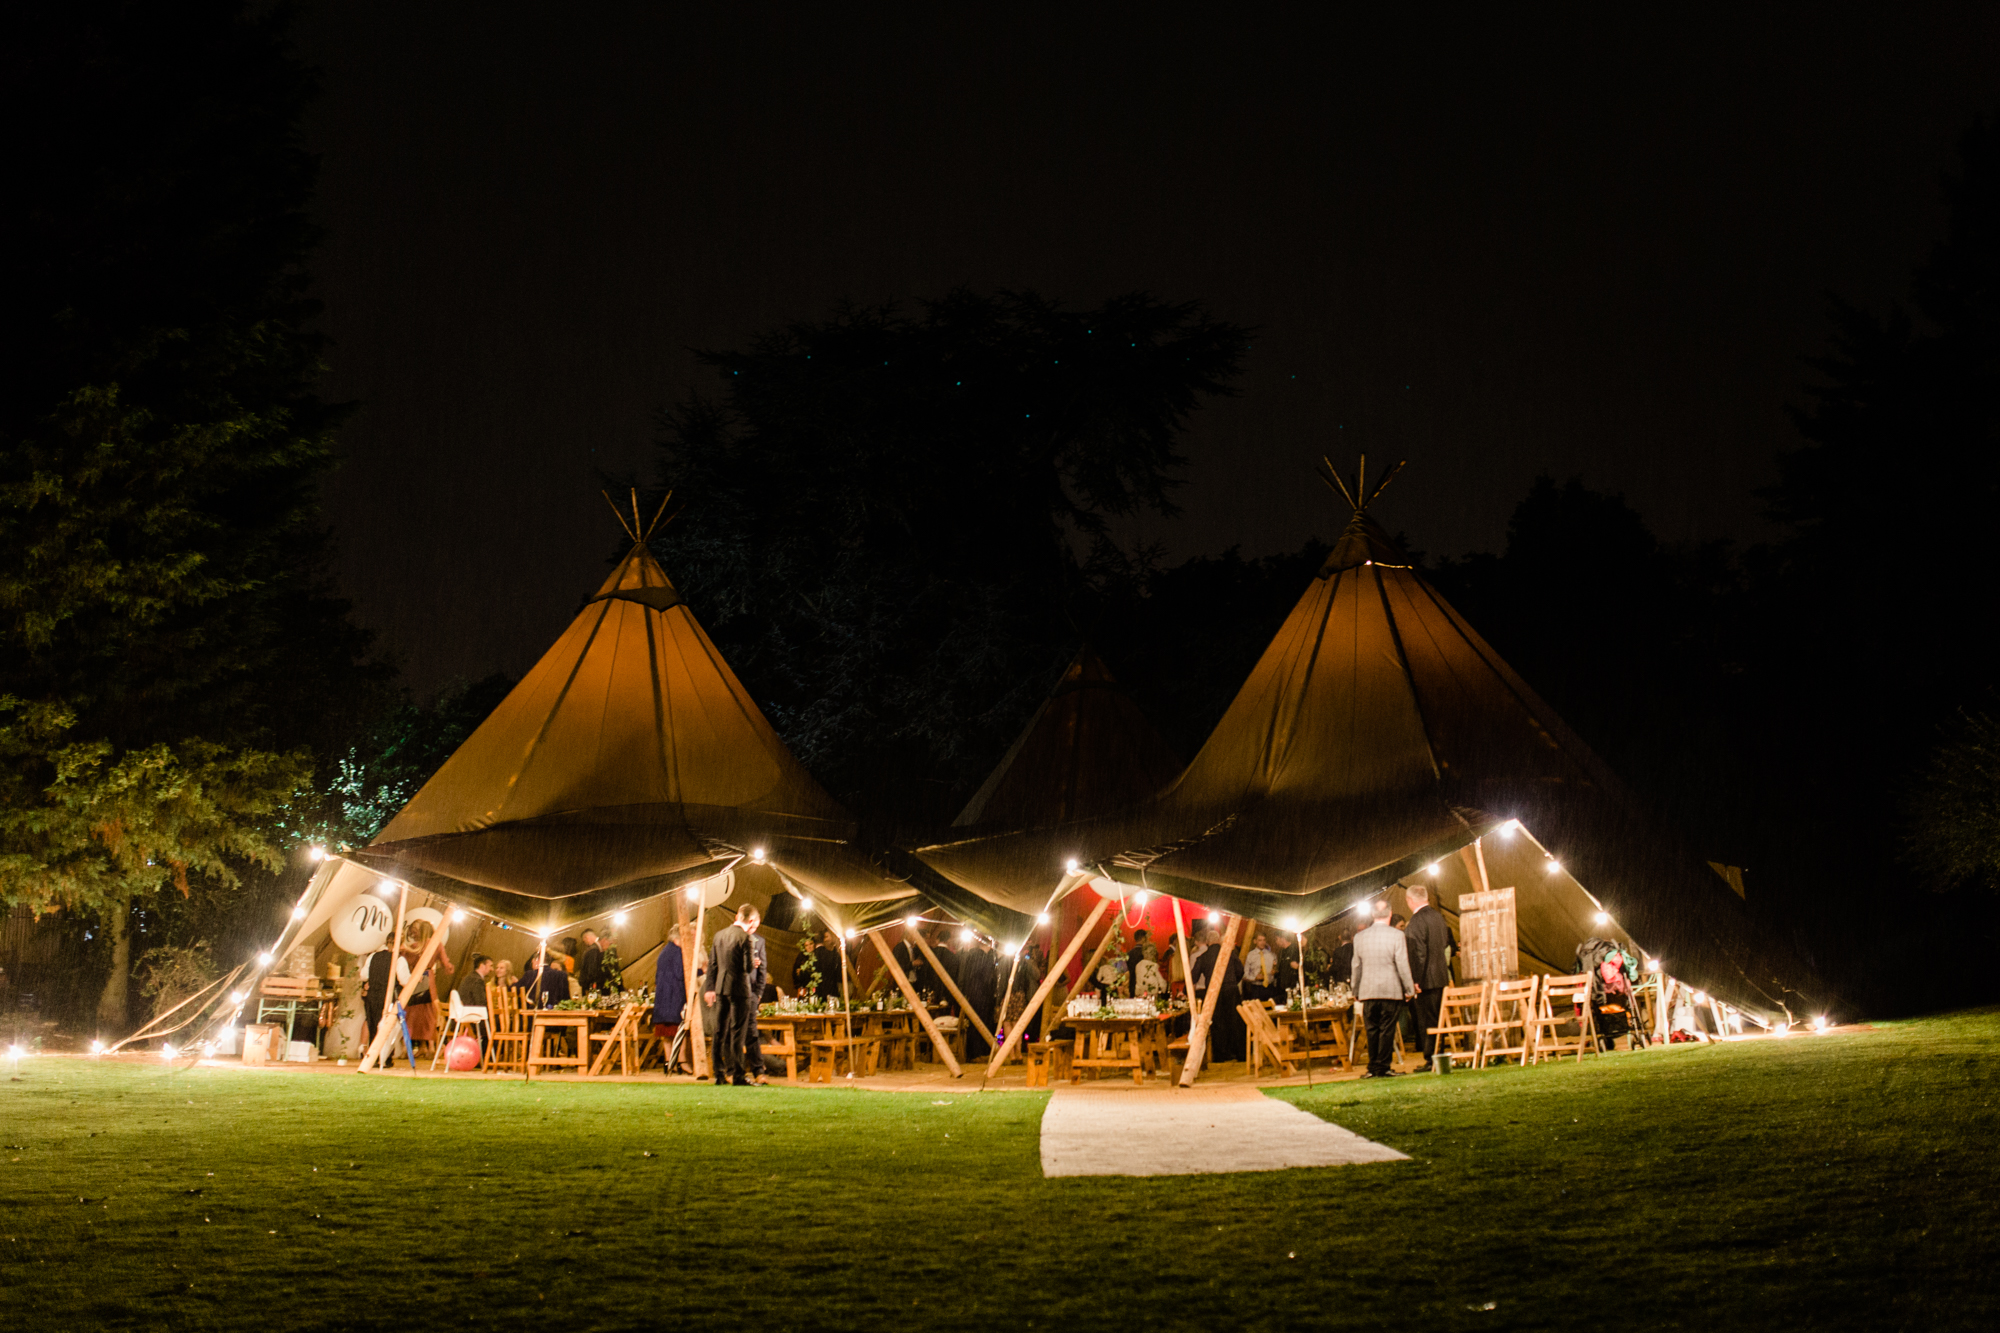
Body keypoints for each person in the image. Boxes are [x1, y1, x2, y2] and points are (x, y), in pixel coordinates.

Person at [1352, 899, 1415, 1078]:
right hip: (1391, 990)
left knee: (1371, 1029)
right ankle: (1383, 1066)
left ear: (1372, 915)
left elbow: (1356, 966)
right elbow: (1402, 964)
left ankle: (1372, 1067)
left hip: (1368, 990)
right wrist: (1409, 988)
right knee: (1387, 1029)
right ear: (1390, 913)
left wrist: (1355, 990)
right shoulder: (1397, 936)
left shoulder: (1360, 937)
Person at [704, 905, 758, 1086]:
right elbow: (747, 968)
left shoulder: (719, 935)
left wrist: (710, 988)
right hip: (739, 989)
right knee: (738, 1032)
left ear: (737, 916)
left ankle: (718, 1074)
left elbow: (712, 965)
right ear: (750, 921)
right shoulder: (746, 938)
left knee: (719, 1032)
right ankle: (738, 1075)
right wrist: (754, 962)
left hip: (721, 987)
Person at [1403, 883, 1455, 1064]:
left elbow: (1418, 953)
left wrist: (1415, 980)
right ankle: (1438, 1056)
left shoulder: (1416, 921)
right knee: (1437, 1019)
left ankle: (1431, 1058)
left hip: (1425, 978)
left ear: (1409, 900)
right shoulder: (1438, 917)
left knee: (1427, 1021)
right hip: (1441, 976)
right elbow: (1443, 944)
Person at [1190, 926, 1246, 1062]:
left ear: (1208, 942)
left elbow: (1193, 977)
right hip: (1231, 990)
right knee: (1235, 1022)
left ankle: (1221, 1055)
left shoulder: (1202, 957)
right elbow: (1240, 971)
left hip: (1214, 992)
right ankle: (1240, 1053)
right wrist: (1232, 982)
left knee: (1218, 1023)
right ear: (1218, 940)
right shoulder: (1229, 953)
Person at [653, 923, 689, 1072]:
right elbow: (681, 974)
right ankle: (682, 1062)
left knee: (667, 1035)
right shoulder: (677, 952)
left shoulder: (664, 952)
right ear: (677, 938)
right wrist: (700, 971)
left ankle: (668, 1063)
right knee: (681, 1030)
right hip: (674, 998)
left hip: (662, 999)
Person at [742, 914, 773, 1085]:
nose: (754, 928)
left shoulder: (759, 941)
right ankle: (734, 1070)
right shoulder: (732, 938)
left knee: (752, 1033)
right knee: (735, 1033)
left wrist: (759, 993)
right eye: (752, 924)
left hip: (752, 993)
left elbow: (763, 968)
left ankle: (759, 1071)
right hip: (734, 991)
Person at [958, 933, 998, 1058]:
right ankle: (980, 1051)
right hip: (983, 995)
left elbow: (963, 975)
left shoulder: (970, 955)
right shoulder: (985, 958)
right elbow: (987, 978)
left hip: (972, 993)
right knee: (982, 1022)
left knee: (973, 1023)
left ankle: (972, 1051)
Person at [1243, 932, 1279, 1004]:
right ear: (1255, 941)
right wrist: (1255, 977)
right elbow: (1245, 975)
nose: (1262, 942)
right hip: (1256, 988)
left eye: (1264, 940)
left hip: (1269, 988)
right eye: (1260, 940)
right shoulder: (1250, 955)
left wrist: (1274, 972)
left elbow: (1276, 969)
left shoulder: (1271, 955)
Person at [577, 928, 607, 992]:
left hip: (591, 987)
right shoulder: (596, 948)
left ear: (587, 938)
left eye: (584, 941)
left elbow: (591, 970)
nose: (585, 943)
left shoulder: (593, 949)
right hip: (596, 986)